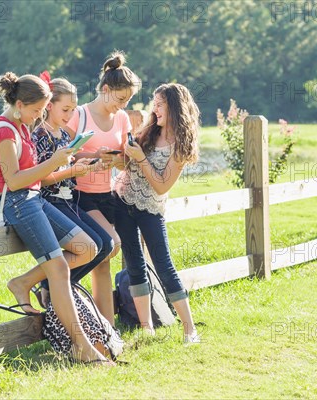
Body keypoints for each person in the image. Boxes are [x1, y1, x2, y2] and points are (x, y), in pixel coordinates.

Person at [0, 71, 111, 364]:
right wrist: (54, 163)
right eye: (37, 110)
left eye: (43, 110)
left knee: (87, 247)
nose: (40, 116)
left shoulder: (21, 126)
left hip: (33, 197)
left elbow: (30, 179)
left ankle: (23, 283)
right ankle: (82, 347)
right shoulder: (5, 131)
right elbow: (13, 181)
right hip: (17, 203)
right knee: (59, 270)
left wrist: (62, 162)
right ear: (19, 104)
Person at [114, 83, 201, 343]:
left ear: (175, 108)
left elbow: (162, 185)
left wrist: (140, 158)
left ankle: (190, 329)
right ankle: (146, 328)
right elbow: (127, 163)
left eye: (160, 104)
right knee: (134, 266)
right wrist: (119, 154)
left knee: (164, 267)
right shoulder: (149, 131)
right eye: (155, 103)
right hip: (122, 201)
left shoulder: (181, 145)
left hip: (151, 209)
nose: (155, 109)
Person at [67, 51, 141, 325]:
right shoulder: (79, 115)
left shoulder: (121, 119)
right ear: (106, 90)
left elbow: (123, 163)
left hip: (106, 194)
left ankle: (107, 328)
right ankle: (55, 284)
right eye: (121, 99)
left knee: (104, 262)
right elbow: (64, 157)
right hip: (79, 195)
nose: (123, 105)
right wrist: (92, 158)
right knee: (112, 244)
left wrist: (117, 158)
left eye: (128, 101)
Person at [31, 73, 114, 307]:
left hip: (69, 200)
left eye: (73, 110)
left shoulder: (65, 135)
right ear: (49, 106)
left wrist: (93, 161)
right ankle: (52, 287)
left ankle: (53, 286)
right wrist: (71, 172)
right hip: (52, 201)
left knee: (105, 245)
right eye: (65, 109)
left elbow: (70, 161)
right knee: (92, 247)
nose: (70, 116)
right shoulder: (39, 136)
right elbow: (42, 179)